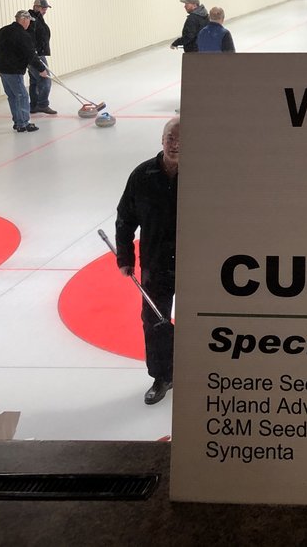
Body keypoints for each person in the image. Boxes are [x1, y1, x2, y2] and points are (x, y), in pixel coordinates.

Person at [115, 117, 181, 405]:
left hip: (194, 262)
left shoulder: (206, 174)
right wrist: (125, 256)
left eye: (181, 138)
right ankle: (161, 375)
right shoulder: (142, 175)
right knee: (154, 321)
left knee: (199, 319)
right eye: (170, 137)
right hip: (156, 262)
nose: (175, 144)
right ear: (162, 139)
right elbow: (125, 218)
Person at [0, 9, 50, 133]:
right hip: (13, 70)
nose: (29, 23)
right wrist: (42, 69)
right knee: (22, 95)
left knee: (12, 96)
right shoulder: (22, 35)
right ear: (24, 20)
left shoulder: (2, 30)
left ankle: (18, 122)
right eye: (29, 20)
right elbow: (30, 55)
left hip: (1, 68)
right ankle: (24, 123)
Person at [27, 0, 56, 114]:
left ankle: (34, 105)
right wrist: (35, 54)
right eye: (43, 8)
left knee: (34, 80)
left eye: (46, 8)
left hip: (37, 54)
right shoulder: (31, 20)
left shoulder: (37, 18)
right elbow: (29, 38)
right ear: (36, 7)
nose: (45, 10)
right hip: (34, 55)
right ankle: (43, 104)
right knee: (45, 80)